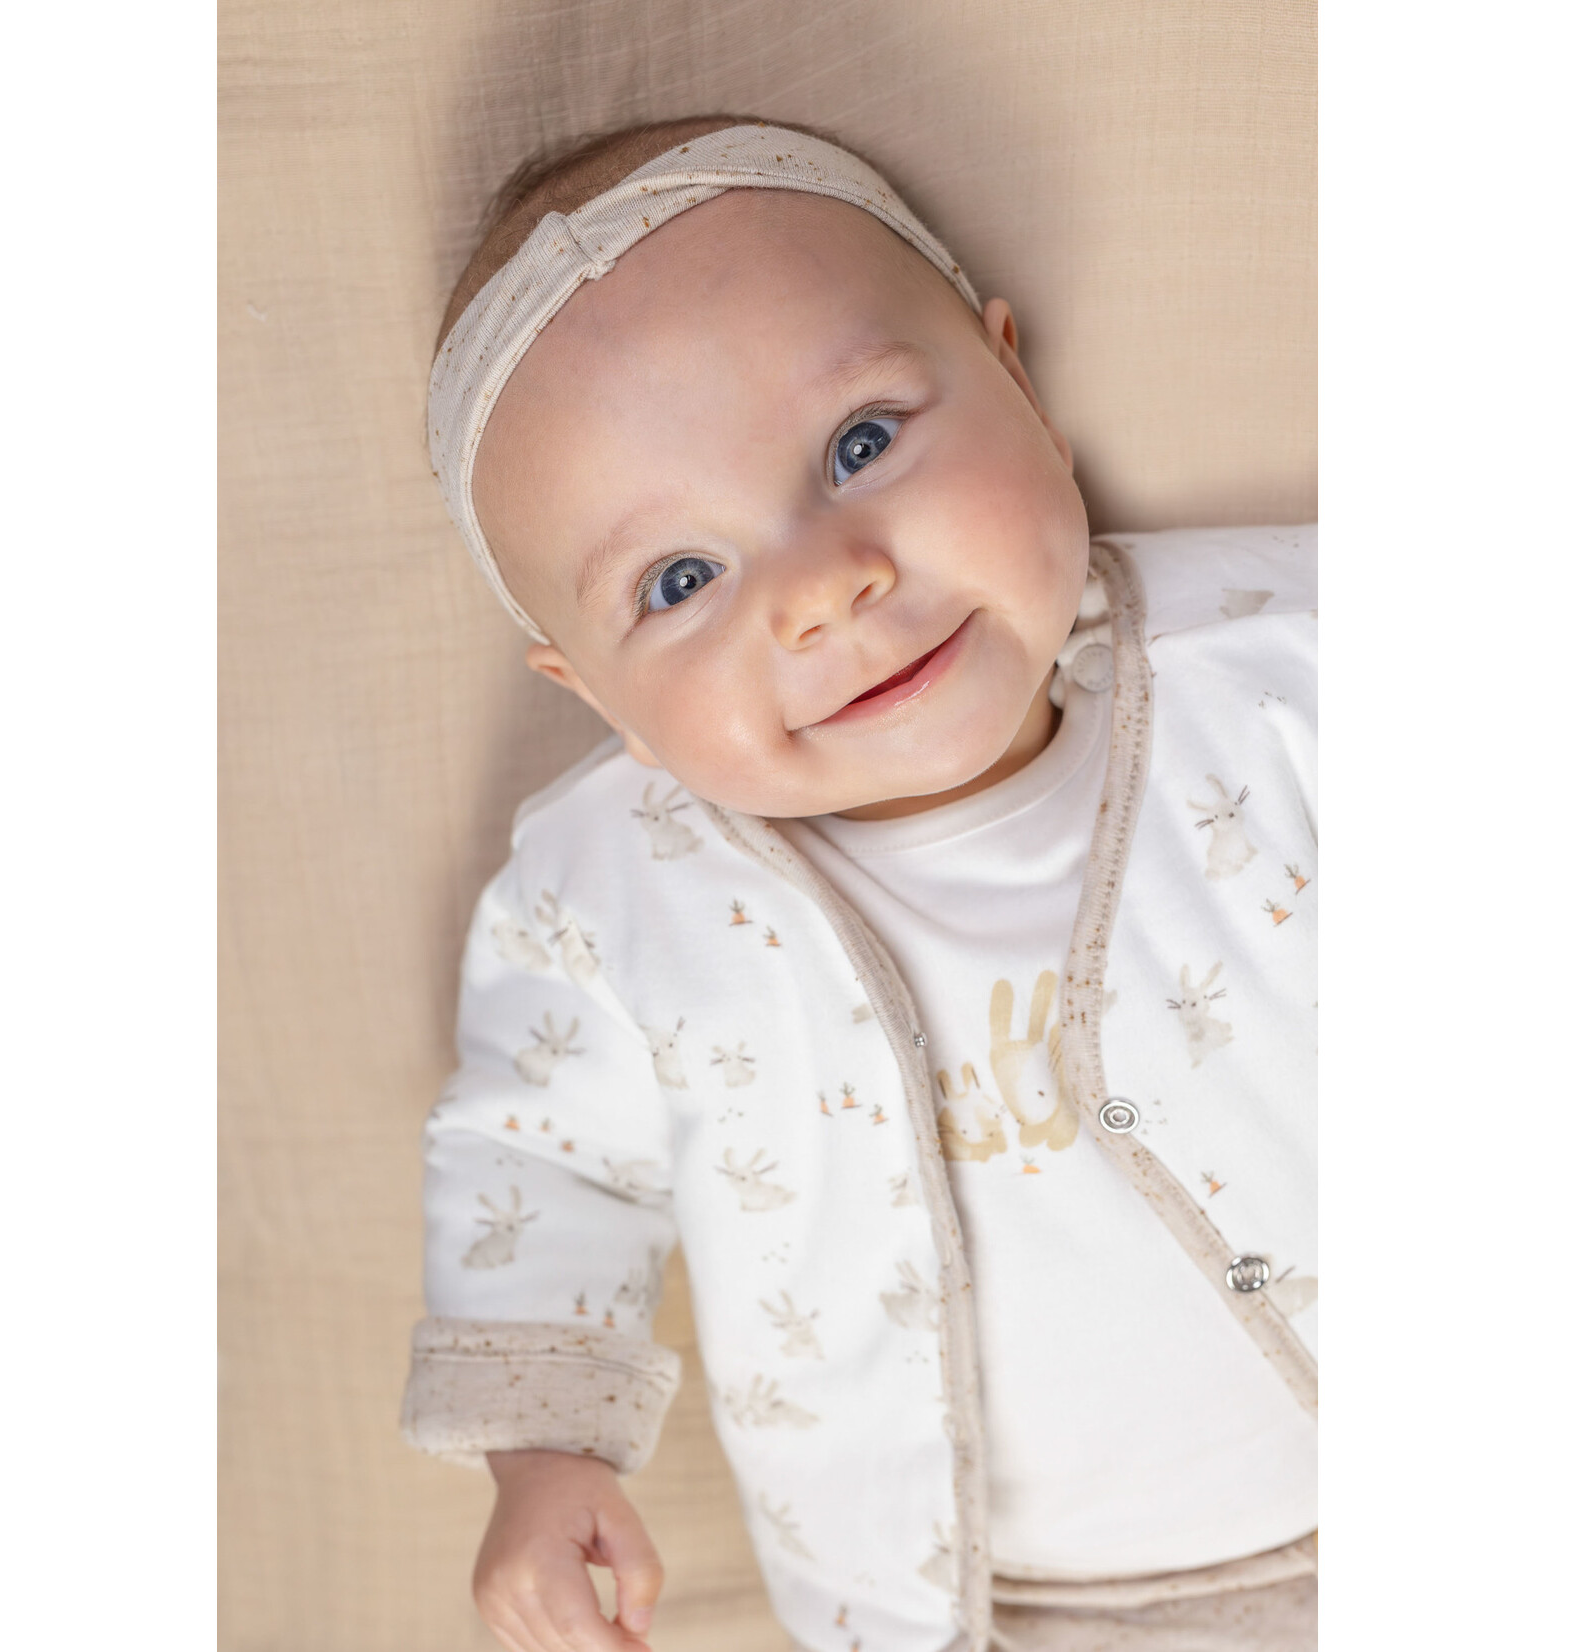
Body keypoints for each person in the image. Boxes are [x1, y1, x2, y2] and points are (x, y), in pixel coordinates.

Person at [402, 116, 1317, 1652]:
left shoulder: (1284, 671)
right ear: (603, 701)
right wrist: (544, 1454)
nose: (827, 589)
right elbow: (545, 1165)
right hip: (991, 1610)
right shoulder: (606, 905)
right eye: (680, 581)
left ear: (1020, 387)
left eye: (862, 444)